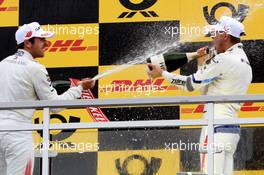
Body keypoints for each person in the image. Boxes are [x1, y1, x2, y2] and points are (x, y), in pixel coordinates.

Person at [147, 16, 252, 175]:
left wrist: (162, 73)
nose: (212, 37)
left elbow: (189, 85)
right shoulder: (243, 61)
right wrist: (202, 63)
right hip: (231, 130)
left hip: (215, 127)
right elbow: (207, 93)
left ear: (225, 36)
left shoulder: (223, 60)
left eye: (215, 33)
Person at [0, 22, 95, 175]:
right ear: (27, 43)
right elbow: (55, 106)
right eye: (42, 39)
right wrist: (80, 88)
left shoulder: (2, 63)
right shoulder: (35, 68)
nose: (47, 43)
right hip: (18, 135)